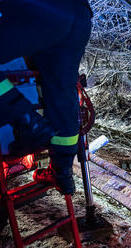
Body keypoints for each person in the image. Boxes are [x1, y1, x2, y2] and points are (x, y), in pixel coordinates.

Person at [0, 0, 93, 195]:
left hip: (40, 12)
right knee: (62, 90)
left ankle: (26, 121)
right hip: (78, 15)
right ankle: (62, 172)